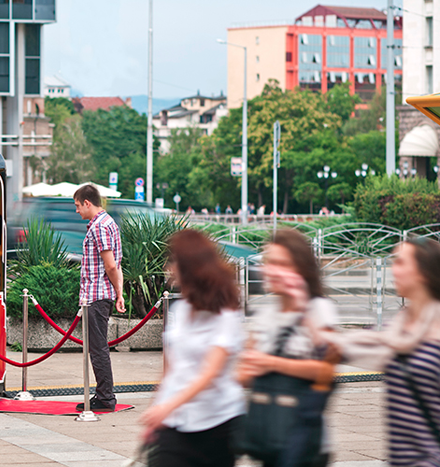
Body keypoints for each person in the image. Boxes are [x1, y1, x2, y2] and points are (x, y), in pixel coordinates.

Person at [325, 237, 440, 467]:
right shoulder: (397, 328)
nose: (392, 269)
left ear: (423, 273)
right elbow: (347, 347)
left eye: (400, 262)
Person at [141, 229, 244, 467]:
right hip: (176, 421)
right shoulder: (180, 309)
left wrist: (167, 407)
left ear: (190, 266)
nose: (169, 267)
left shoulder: (225, 315)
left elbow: (209, 374)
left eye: (174, 260)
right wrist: (156, 409)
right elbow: (170, 371)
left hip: (217, 422)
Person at [238, 229, 338, 467]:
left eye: (280, 263)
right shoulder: (265, 315)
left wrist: (272, 363)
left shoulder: (318, 310)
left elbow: (327, 371)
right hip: (268, 439)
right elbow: (242, 375)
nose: (270, 270)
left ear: (300, 269)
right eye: (267, 262)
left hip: (303, 443)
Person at [73, 184, 125, 413]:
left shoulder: (99, 227)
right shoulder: (109, 223)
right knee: (98, 347)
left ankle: (105, 396)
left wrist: (116, 290)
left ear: (87, 202)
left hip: (96, 295)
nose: (76, 211)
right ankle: (104, 394)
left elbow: (111, 264)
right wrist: (119, 293)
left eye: (77, 206)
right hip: (102, 294)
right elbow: (117, 264)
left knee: (98, 348)